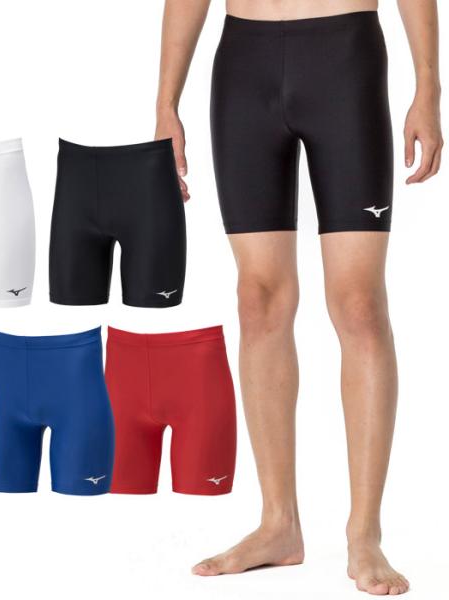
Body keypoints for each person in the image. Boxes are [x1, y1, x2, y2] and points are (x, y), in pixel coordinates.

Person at [155, 0, 443, 595]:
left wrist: (428, 86)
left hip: (344, 58)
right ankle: (278, 524)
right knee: (257, 300)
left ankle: (364, 534)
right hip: (244, 62)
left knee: (359, 304)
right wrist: (166, 103)